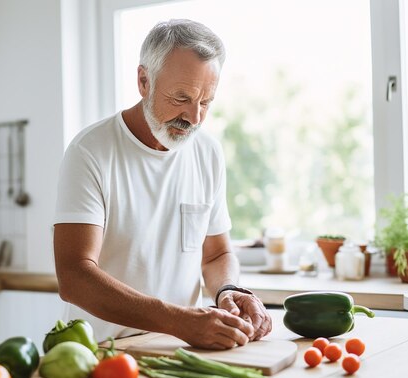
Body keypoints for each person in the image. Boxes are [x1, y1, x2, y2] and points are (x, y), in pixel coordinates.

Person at [53, 19, 272, 349]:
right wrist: (178, 320)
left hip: (182, 349)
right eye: (181, 97)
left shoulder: (207, 152)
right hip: (104, 355)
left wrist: (228, 290)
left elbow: (216, 254)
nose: (194, 117)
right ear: (144, 81)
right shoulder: (90, 152)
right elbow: (74, 276)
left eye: (205, 102)